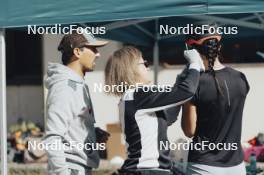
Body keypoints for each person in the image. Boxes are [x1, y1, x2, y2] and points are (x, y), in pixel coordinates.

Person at [104, 46, 205, 175]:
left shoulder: (133, 97)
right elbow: (186, 92)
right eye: (144, 63)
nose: (148, 67)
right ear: (131, 68)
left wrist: (181, 81)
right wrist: (195, 64)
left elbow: (168, 117)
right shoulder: (138, 95)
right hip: (147, 170)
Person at [181, 24, 250, 175]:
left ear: (191, 51)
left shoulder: (194, 83)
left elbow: (189, 130)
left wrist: (186, 88)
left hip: (203, 166)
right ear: (219, 47)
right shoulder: (240, 78)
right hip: (236, 166)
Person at [43, 31, 109, 175]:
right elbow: (53, 138)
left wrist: (92, 133)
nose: (98, 54)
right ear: (77, 52)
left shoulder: (76, 85)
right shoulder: (65, 87)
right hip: (71, 169)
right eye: (93, 49)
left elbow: (70, 129)